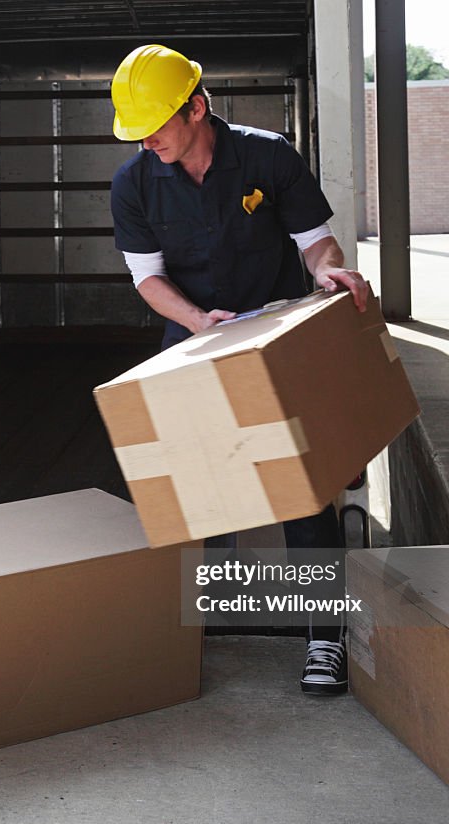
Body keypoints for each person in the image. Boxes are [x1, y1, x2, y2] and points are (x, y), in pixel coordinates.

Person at [109, 44, 371, 696]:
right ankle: (204, 619)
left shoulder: (267, 155)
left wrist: (328, 273)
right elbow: (148, 278)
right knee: (201, 488)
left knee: (302, 488)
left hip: (275, 332)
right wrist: (200, 322)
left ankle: (323, 630)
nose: (148, 140)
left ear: (197, 106)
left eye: (158, 125)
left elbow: (316, 243)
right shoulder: (135, 181)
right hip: (196, 337)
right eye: (137, 131)